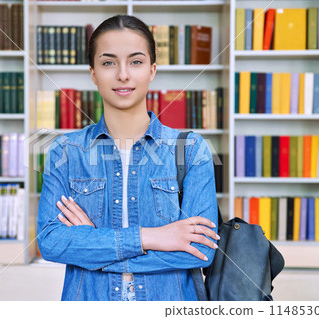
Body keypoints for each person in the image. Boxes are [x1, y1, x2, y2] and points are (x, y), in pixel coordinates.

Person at [37, 15, 219, 301]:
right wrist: (151, 237)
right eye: (108, 62)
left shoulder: (191, 149)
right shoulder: (65, 152)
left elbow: (200, 251)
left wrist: (91, 245)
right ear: (93, 73)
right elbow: (50, 243)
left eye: (136, 61)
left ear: (152, 70)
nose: (123, 74)